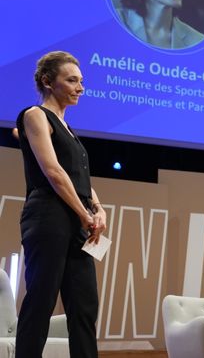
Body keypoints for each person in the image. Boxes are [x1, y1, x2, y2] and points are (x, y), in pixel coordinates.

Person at [15, 51, 107, 357]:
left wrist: (98, 208)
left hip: (77, 221)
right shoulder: (35, 115)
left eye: (81, 81)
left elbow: (79, 178)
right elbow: (53, 171)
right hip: (48, 217)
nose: (80, 87)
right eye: (71, 80)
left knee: (84, 306)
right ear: (47, 82)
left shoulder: (70, 130)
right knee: (41, 301)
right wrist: (84, 213)